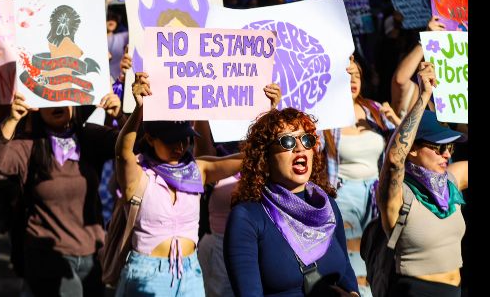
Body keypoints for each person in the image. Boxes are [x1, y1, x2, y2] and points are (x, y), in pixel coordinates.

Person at [114, 73, 247, 296]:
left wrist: (268, 111)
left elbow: (245, 159)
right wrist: (140, 109)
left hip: (191, 273)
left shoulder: (198, 169)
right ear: (150, 138)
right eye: (170, 140)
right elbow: (122, 152)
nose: (179, 146)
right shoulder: (138, 173)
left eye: (184, 138)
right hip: (147, 275)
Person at [0, 89, 122, 297]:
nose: (58, 104)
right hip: (47, 254)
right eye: (49, 98)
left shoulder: (90, 136)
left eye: (65, 97)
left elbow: (137, 146)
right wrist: (12, 119)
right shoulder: (28, 145)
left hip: (92, 253)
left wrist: (121, 116)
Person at [224, 107, 359, 297]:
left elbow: (345, 272)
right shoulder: (247, 217)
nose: (299, 147)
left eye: (306, 140)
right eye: (287, 141)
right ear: (265, 157)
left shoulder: (327, 206)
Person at [377, 62, 467, 296]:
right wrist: (423, 96)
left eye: (450, 147)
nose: (446, 153)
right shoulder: (399, 192)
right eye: (438, 148)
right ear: (413, 150)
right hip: (415, 291)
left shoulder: (451, 181)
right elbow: (395, 159)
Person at [195, 84, 282, 297]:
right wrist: (200, 106)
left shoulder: (270, 161)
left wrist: (272, 110)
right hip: (219, 253)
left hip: (264, 249)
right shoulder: (218, 160)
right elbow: (202, 152)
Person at [323, 57, 398, 297]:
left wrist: (396, 120)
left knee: (378, 250)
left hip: (377, 192)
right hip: (345, 193)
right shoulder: (325, 116)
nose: (353, 80)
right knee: (353, 253)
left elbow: (403, 143)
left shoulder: (375, 110)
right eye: (347, 75)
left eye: (357, 75)